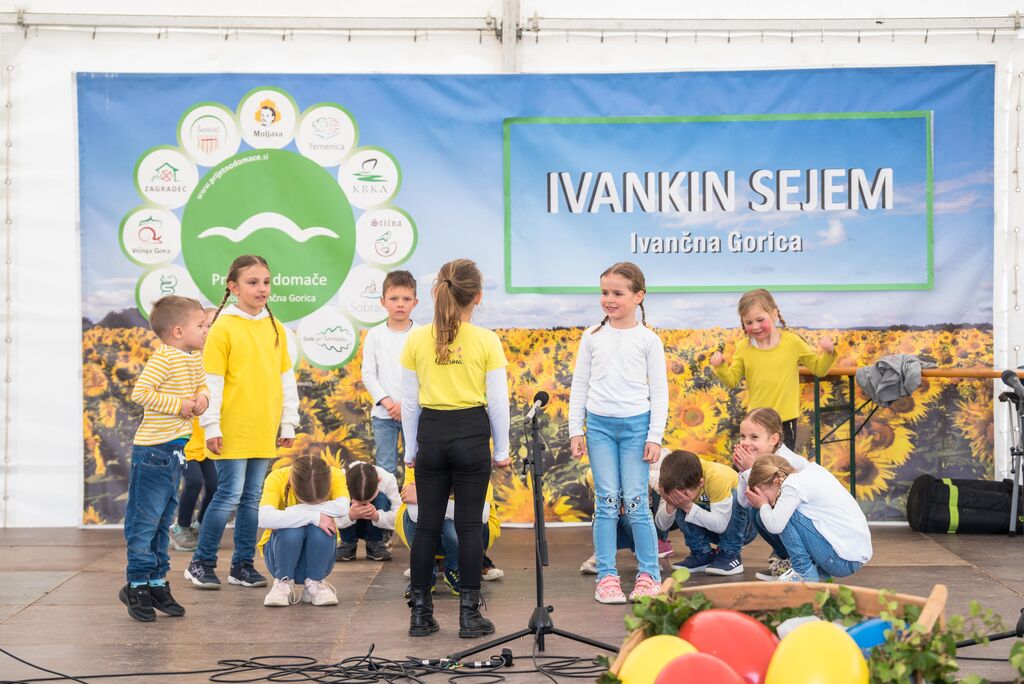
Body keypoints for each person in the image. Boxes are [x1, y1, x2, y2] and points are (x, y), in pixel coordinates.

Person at [400, 258, 510, 639]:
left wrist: (410, 450)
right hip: (470, 435)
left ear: (436, 292)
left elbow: (410, 403)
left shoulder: (416, 339)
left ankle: (420, 615)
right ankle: (469, 615)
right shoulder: (486, 340)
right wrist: (502, 450)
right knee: (468, 526)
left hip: (431, 434)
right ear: (477, 296)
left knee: (426, 526)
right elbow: (498, 404)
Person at [185, 255, 299, 590]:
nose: (262, 289)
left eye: (266, 282)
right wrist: (211, 426)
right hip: (231, 428)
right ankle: (201, 562)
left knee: (252, 498)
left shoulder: (275, 327)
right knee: (228, 495)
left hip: (263, 427)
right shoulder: (223, 327)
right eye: (252, 282)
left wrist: (288, 422)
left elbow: (286, 378)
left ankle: (242, 565)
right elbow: (212, 381)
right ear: (233, 287)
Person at [568, 262, 667, 604]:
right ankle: (607, 577)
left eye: (617, 293)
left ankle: (649, 575)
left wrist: (654, 436)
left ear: (639, 296)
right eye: (604, 292)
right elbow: (580, 384)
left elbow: (660, 392)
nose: (609, 299)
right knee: (607, 502)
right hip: (599, 428)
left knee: (637, 503)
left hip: (636, 428)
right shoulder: (592, 336)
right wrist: (575, 429)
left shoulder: (649, 340)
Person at [121, 295, 209, 621]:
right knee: (144, 523)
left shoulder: (193, 358)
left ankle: (157, 582)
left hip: (174, 453)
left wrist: (202, 398)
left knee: (163, 522)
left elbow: (202, 385)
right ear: (177, 331)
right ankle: (136, 584)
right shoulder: (165, 358)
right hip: (152, 453)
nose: (205, 330)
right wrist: (179, 405)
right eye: (200, 325)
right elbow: (141, 393)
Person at [709, 289, 835, 450]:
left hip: (785, 421)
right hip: (756, 421)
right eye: (748, 322)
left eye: (760, 320)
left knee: (781, 463)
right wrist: (720, 366)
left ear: (774, 314)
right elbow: (731, 380)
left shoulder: (792, 342)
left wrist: (828, 352)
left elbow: (819, 369)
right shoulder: (743, 348)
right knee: (758, 462)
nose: (755, 326)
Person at [746, 454, 872, 582]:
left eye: (761, 492)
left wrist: (763, 503)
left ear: (775, 481)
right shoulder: (807, 475)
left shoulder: (793, 486)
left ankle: (804, 573)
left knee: (780, 514)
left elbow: (775, 525)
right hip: (847, 556)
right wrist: (763, 503)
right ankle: (810, 570)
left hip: (841, 561)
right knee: (761, 512)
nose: (762, 497)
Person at [396, 466, 503, 597]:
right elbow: (414, 513)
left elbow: (480, 515)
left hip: (469, 533)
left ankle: (455, 569)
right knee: (422, 517)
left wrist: (427, 498)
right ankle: (425, 572)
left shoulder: (473, 463)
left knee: (455, 524)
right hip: (429, 527)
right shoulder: (419, 461)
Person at [257, 455, 349, 607]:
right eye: (307, 503)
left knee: (320, 528)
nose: (311, 506)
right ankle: (283, 584)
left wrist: (294, 512)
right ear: (292, 483)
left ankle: (315, 584)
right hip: (279, 559)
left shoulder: (335, 475)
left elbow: (343, 508)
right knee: (291, 529)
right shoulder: (277, 477)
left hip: (320, 561)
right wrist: (314, 515)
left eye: (317, 503)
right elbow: (264, 518)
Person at [731, 407, 811, 581]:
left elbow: (781, 503)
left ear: (773, 439)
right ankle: (787, 559)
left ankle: (802, 562)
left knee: (763, 508)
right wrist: (746, 471)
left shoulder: (786, 462)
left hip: (810, 524)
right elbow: (743, 502)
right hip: (792, 518)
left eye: (754, 437)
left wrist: (750, 469)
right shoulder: (761, 460)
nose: (745, 443)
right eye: (743, 436)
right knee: (755, 509)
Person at [655, 450, 756, 576]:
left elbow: (721, 525)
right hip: (712, 525)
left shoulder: (717, 477)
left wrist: (687, 506)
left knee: (736, 496)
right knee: (682, 504)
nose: (679, 496)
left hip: (744, 529)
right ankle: (702, 553)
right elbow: (662, 526)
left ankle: (730, 554)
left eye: (684, 492)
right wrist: (670, 502)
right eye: (674, 493)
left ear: (700, 483)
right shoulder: (673, 479)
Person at [361, 270, 419, 478]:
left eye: (406, 299)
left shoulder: (422, 335)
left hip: (415, 414)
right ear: (383, 301)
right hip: (384, 416)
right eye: (394, 299)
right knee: (385, 469)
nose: (400, 304)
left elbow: (426, 376)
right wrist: (389, 404)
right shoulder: (375, 335)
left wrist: (406, 405)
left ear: (415, 302)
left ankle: (416, 501)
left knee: (418, 465)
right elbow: (368, 374)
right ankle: (387, 502)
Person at [170, 307, 218, 552]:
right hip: (187, 435)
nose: (209, 330)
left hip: (208, 432)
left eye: (214, 325)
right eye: (204, 325)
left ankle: (200, 525)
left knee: (215, 485)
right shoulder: (187, 357)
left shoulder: (221, 356)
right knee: (194, 481)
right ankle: (181, 526)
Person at [336, 461, 401, 562]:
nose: (363, 505)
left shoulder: (387, 479)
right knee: (341, 503)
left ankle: (376, 543)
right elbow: (328, 517)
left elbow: (399, 517)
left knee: (382, 498)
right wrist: (349, 516)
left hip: (378, 527)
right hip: (349, 525)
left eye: (367, 500)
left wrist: (377, 516)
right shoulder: (340, 478)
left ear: (379, 481)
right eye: (358, 501)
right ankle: (347, 544)